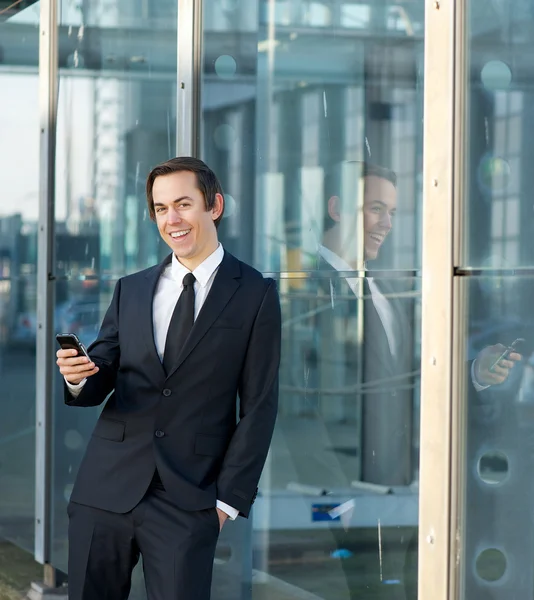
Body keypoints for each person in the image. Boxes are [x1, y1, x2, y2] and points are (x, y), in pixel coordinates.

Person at [56, 157, 282, 600]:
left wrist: (225, 504)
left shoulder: (255, 294)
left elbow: (259, 405)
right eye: (161, 208)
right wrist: (79, 377)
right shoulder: (132, 288)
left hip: (190, 500)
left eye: (183, 204)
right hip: (105, 490)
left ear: (214, 206)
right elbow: (102, 373)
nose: (172, 220)